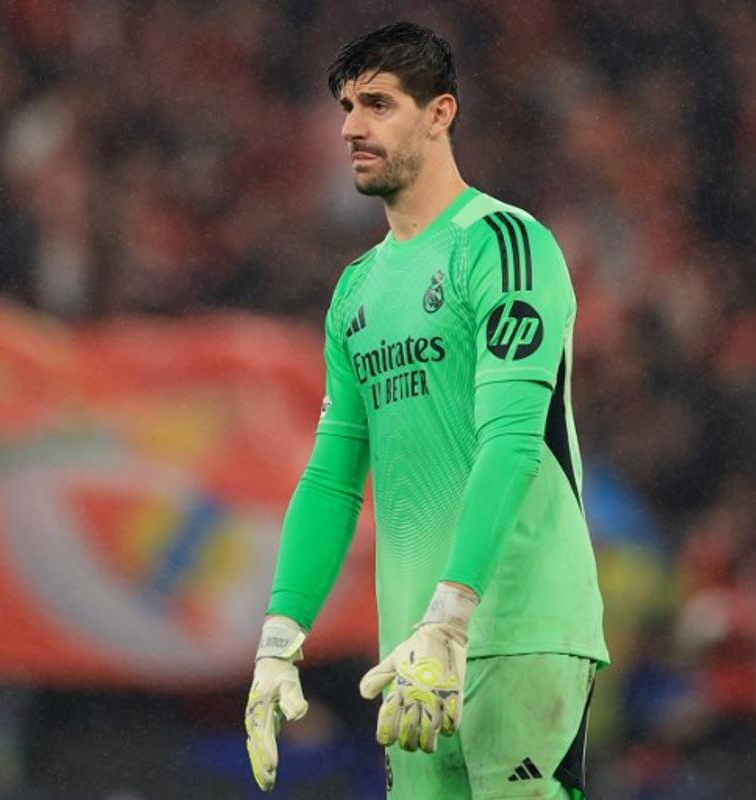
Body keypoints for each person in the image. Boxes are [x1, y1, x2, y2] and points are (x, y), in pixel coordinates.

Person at [244, 21, 608, 799]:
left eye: (378, 104)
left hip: (519, 628)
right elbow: (333, 479)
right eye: (347, 107)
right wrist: (280, 635)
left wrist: (452, 615)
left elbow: (511, 441)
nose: (352, 127)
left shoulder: (505, 245)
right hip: (408, 659)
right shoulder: (356, 292)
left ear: (441, 113)